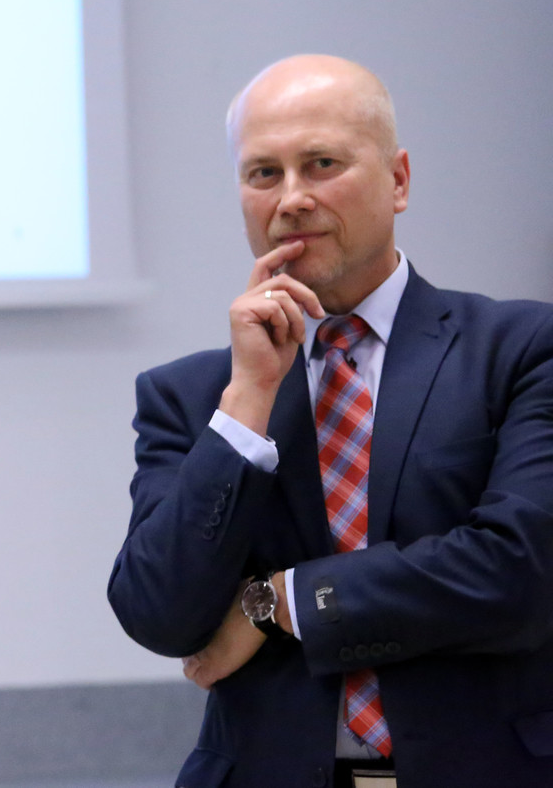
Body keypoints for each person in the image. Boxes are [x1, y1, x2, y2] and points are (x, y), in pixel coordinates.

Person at [107, 55, 553, 788]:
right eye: (264, 173)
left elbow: (521, 573)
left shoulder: (520, 350)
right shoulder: (193, 395)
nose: (292, 199)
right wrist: (248, 399)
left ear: (398, 180)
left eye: (321, 164)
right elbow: (159, 614)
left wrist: (274, 602)